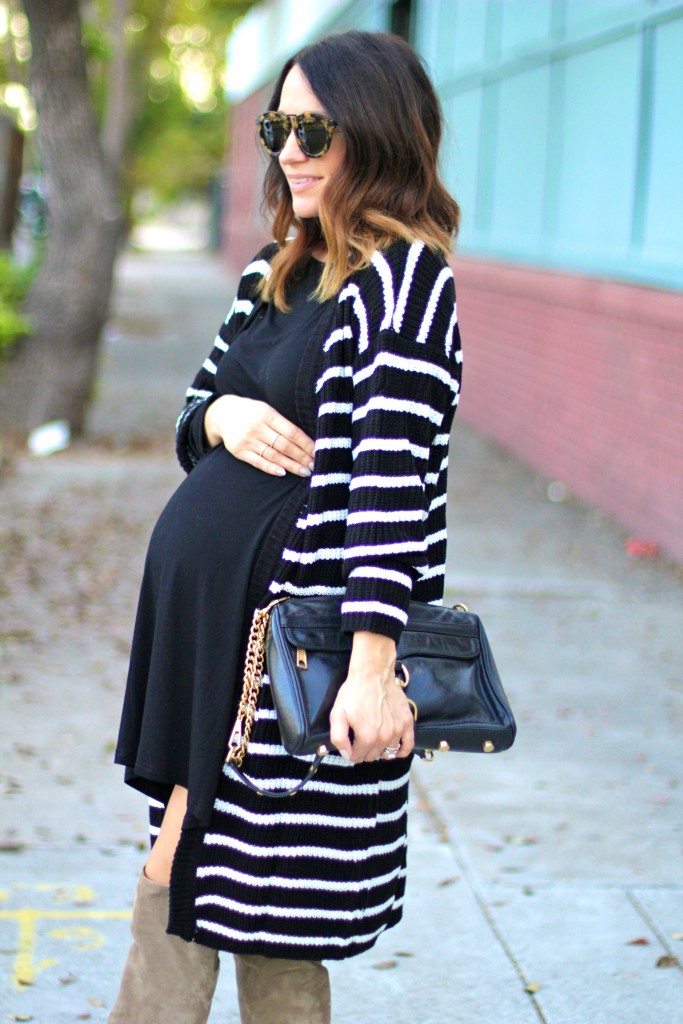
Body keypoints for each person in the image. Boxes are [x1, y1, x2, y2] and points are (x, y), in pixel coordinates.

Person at [108, 28, 461, 1024]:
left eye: (314, 127)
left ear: (377, 134)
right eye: (277, 127)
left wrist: (367, 664)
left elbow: (389, 492)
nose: (290, 150)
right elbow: (193, 409)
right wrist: (221, 416)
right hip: (208, 639)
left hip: (282, 652)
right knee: (211, 878)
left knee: (253, 900)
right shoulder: (277, 267)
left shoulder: (401, 289)